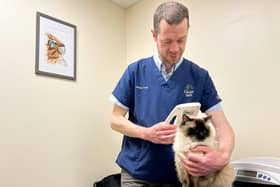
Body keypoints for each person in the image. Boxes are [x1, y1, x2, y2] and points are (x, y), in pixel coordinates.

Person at [110, 1, 235, 187]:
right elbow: (115, 119)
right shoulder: (135, 71)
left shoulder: (200, 76)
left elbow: (223, 128)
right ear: (154, 35)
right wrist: (147, 133)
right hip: (137, 174)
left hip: (180, 177)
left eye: (181, 40)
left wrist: (222, 156)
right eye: (167, 41)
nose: (175, 48)